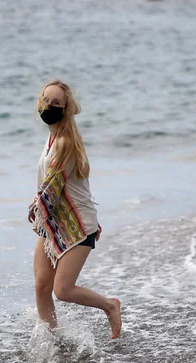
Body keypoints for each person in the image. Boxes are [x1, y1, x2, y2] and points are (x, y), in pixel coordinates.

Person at [28, 79, 122, 339]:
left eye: (56, 103)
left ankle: (110, 305)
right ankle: (52, 339)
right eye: (46, 101)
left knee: (63, 290)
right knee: (40, 285)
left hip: (78, 227)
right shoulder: (52, 138)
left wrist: (36, 206)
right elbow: (51, 185)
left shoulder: (66, 141)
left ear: (66, 108)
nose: (50, 106)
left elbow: (54, 184)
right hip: (56, 223)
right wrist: (37, 207)